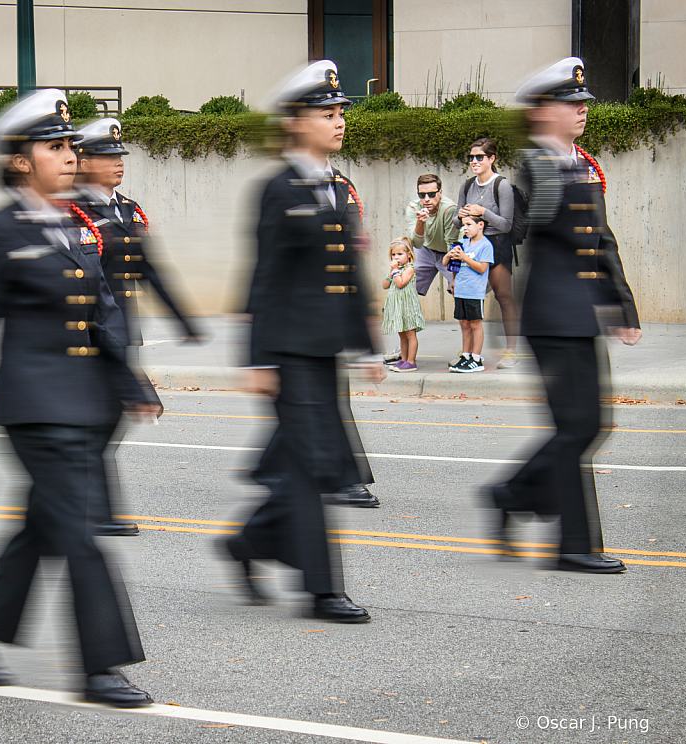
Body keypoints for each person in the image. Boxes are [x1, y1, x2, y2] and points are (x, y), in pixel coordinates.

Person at [0, 90, 162, 706]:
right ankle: (101, 665)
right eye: (54, 147)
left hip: (86, 402)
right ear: (17, 160)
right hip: (33, 408)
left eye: (69, 146)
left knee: (43, 527)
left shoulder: (76, 223)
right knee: (81, 532)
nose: (69, 155)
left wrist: (133, 381)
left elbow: (104, 309)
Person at [221, 60, 384, 621]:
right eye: (327, 113)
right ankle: (322, 589)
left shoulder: (337, 186)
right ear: (295, 121)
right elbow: (262, 278)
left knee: (302, 464)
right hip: (288, 349)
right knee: (314, 467)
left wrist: (366, 345)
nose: (339, 122)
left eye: (341, 113)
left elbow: (349, 271)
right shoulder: (278, 187)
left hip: (325, 346)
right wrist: (258, 360)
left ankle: (246, 543)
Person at [484, 58, 640, 573]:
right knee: (575, 428)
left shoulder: (583, 164)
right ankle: (573, 546)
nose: (581, 111)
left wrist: (623, 304)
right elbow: (543, 214)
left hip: (582, 312)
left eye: (583, 104)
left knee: (589, 425)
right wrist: (554, 159)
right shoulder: (539, 165)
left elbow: (603, 238)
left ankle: (511, 494)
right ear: (544, 112)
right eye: (571, 104)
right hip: (551, 314)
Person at [69, 117, 200, 537]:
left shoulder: (127, 209)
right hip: (90, 333)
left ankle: (88, 505)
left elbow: (147, 269)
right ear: (83, 162)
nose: (117, 163)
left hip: (122, 329)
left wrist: (184, 318)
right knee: (104, 417)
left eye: (119, 155)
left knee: (104, 420)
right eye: (107, 156)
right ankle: (93, 509)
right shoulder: (71, 211)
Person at [453, 138, 520, 369]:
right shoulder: (467, 185)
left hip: (497, 244)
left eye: (479, 157)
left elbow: (507, 225)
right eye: (471, 157)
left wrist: (484, 212)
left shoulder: (501, 185)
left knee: (503, 296)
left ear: (492, 158)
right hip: (471, 243)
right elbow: (456, 222)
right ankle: (468, 353)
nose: (474, 161)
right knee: (468, 296)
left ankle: (511, 350)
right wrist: (460, 216)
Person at [385, 175, 460, 365]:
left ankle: (467, 352)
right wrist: (421, 222)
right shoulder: (414, 208)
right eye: (422, 194)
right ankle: (403, 350)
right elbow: (416, 243)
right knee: (399, 293)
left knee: (460, 293)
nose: (427, 199)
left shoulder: (449, 209)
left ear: (440, 193)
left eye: (432, 194)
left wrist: (454, 277)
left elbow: (452, 243)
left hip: (446, 253)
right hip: (425, 251)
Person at [443, 215, 492, 372]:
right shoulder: (462, 243)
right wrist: (453, 277)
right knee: (464, 323)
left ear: (480, 225)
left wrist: (464, 257)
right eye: (464, 225)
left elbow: (482, 268)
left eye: (469, 224)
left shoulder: (485, 245)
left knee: (475, 324)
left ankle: (476, 359)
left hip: (474, 291)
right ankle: (466, 355)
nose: (465, 228)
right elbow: (449, 264)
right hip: (460, 290)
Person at [381, 238, 425, 372]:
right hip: (397, 306)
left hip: (407, 305)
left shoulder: (409, 269)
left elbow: (400, 283)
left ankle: (411, 361)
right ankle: (403, 359)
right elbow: (385, 285)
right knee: (402, 334)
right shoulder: (395, 269)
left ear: (409, 255)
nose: (396, 257)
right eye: (394, 255)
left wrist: (395, 271)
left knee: (410, 333)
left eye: (400, 254)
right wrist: (391, 272)